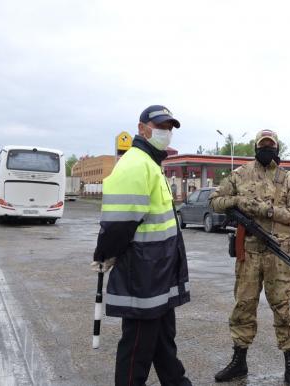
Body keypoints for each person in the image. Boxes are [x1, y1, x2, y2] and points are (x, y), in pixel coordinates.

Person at [91, 105, 192, 386]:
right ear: (142, 128)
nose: (166, 132)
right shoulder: (135, 163)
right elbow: (119, 222)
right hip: (144, 277)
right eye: (160, 126)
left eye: (169, 127)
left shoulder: (151, 164)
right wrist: (105, 253)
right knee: (136, 350)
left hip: (159, 273)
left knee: (163, 344)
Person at [210, 129, 290, 386]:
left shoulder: (289, 179)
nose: (267, 149)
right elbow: (215, 201)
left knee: (284, 310)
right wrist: (240, 201)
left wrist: (266, 210)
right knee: (243, 306)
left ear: (277, 149)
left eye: (271, 145)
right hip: (249, 254)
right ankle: (239, 362)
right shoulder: (240, 174)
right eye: (263, 145)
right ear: (256, 148)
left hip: (280, 254)